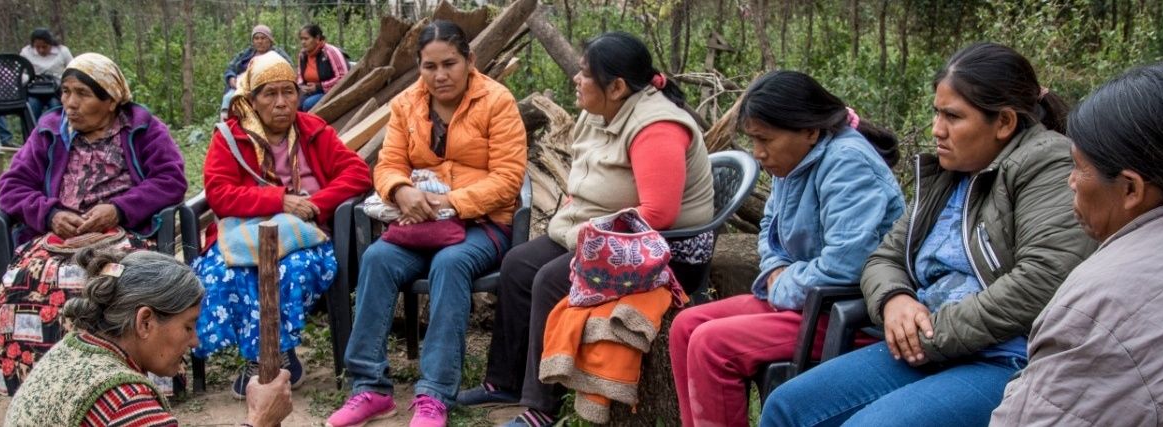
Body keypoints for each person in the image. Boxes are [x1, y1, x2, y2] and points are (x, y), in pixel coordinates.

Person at [759, 42, 1099, 427]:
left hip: (1006, 356)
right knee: (786, 407)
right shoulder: (949, 173)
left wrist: (933, 334)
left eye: (953, 117)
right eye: (937, 113)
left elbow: (1045, 278)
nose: (937, 129)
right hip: (928, 345)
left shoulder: (1046, 163)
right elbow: (885, 258)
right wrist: (894, 299)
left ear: (1004, 122)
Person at [457, 32, 715, 427]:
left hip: (664, 251)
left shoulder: (657, 127)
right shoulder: (600, 112)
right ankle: (504, 382)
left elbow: (658, 215)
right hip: (606, 233)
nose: (576, 80)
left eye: (584, 74)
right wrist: (583, 229)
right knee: (519, 264)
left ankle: (541, 406)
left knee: (549, 280)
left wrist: (590, 237)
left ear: (616, 86)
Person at [668, 70, 905, 427]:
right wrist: (777, 270)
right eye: (753, 141)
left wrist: (780, 284)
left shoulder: (848, 163)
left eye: (766, 140)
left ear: (810, 130)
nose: (759, 153)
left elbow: (847, 266)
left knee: (712, 345)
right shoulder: (792, 162)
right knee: (686, 326)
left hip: (847, 313)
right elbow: (769, 229)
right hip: (803, 298)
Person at [328, 20, 526, 427]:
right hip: (419, 224)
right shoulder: (406, 104)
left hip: (482, 224)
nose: (440, 75)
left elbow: (508, 180)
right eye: (429, 66)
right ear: (419, 66)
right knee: (379, 259)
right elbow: (388, 164)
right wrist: (400, 190)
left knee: (449, 264)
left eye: (450, 64)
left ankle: (434, 394)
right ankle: (369, 387)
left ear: (470, 60)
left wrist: (449, 202)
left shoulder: (497, 101)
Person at [991, 63, 1163, 425]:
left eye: (1078, 167)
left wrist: (932, 335)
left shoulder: (1102, 304)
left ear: (1131, 188)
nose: (1070, 182)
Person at [0, 53, 188, 396]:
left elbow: (171, 180)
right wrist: (50, 213)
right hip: (56, 238)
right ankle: (38, 386)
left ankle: (127, 383)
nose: (70, 103)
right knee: (24, 284)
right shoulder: (50, 130)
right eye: (65, 92)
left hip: (123, 236)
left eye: (82, 93)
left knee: (119, 281)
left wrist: (118, 208)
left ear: (111, 99)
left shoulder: (142, 128)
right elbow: (11, 186)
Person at [193, 52, 371, 399]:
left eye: (288, 92)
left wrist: (311, 206)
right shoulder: (230, 137)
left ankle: (276, 355)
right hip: (242, 234)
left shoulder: (313, 130)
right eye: (269, 94)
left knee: (293, 269)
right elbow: (219, 194)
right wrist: (279, 201)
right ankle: (261, 359)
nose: (281, 103)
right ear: (251, 100)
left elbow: (357, 173)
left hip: (305, 235)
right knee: (227, 272)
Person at [4, 248, 293, 427]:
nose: (194, 343)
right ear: (145, 321)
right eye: (188, 327)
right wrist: (259, 420)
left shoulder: (72, 352)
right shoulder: (121, 399)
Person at [221, 25, 293, 119]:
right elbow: (230, 68)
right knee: (228, 98)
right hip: (240, 85)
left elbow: (290, 69)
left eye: (263, 38)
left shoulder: (278, 54)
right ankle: (226, 126)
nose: (259, 41)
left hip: (263, 87)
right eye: (256, 38)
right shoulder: (247, 53)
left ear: (270, 40)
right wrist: (231, 78)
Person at [20, 28, 73, 120]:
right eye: (37, 47)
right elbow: (19, 73)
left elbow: (72, 69)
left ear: (51, 44)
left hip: (55, 90)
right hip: (35, 90)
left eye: (44, 47)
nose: (41, 50)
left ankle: (56, 132)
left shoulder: (62, 51)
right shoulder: (26, 52)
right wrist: (29, 78)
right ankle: (33, 132)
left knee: (55, 106)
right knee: (32, 106)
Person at [296, 23, 349, 111]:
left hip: (332, 91)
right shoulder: (302, 55)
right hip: (309, 91)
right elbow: (300, 76)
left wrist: (319, 87)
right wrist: (301, 86)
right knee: (293, 104)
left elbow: (343, 77)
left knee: (308, 104)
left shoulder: (330, 51)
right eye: (301, 39)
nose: (303, 42)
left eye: (306, 39)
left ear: (317, 38)